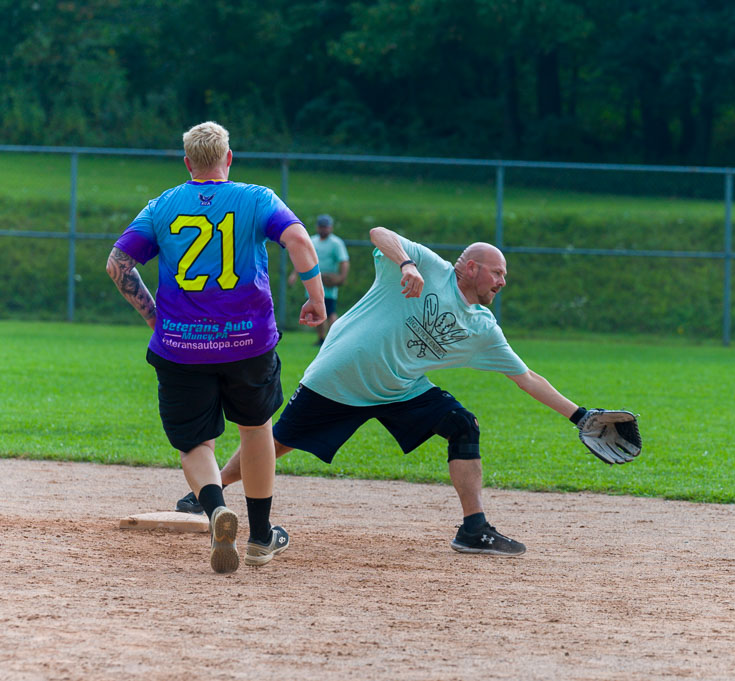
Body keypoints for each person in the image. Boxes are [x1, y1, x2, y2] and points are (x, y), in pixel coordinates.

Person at [177, 226, 595, 557]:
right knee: (276, 442)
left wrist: (581, 416)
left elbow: (526, 377)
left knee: (463, 425)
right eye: (497, 272)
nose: (503, 281)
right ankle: (208, 494)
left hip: (399, 388)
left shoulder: (482, 328)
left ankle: (473, 529)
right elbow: (379, 233)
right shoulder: (431, 268)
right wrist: (408, 265)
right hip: (339, 377)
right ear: (470, 267)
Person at [107, 121, 326, 574]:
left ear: (188, 163)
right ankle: (261, 538)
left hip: (181, 346)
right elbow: (300, 240)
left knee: (195, 443)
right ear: (229, 158)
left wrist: (153, 316)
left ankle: (215, 510)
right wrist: (316, 297)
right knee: (255, 428)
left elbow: (118, 264)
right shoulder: (257, 198)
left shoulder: (162, 205)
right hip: (248, 342)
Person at [288, 214, 349, 345]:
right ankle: (322, 338)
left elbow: (344, 261)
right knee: (315, 309)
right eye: (321, 226)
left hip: (328, 281)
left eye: (326, 227)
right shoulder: (312, 240)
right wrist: (294, 274)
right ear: (317, 227)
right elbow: (302, 258)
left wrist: (341, 278)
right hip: (313, 280)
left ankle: (336, 338)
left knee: (330, 310)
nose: (323, 229)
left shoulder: (336, 243)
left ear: (331, 228)